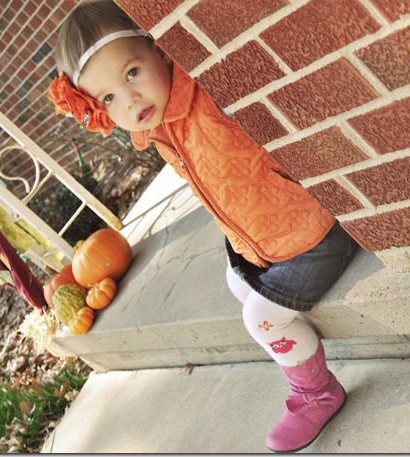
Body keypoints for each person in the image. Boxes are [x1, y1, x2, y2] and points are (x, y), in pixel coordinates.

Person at [48, 0, 359, 452]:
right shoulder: (161, 129)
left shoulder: (208, 94)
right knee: (235, 280)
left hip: (314, 233)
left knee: (259, 319)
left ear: (159, 49)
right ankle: (288, 326)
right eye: (108, 98)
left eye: (131, 72)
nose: (128, 99)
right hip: (267, 236)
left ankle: (317, 393)